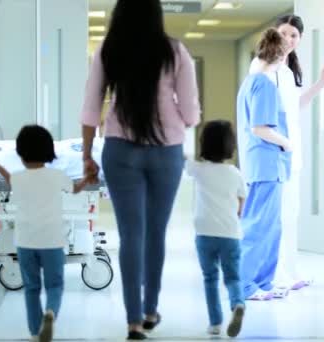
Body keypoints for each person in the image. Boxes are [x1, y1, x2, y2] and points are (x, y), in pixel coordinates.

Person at [79, 0, 200, 339]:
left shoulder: (108, 50)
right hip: (166, 152)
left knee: (130, 234)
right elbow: (191, 115)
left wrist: (87, 155)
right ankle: (150, 310)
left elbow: (90, 109)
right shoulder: (176, 52)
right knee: (156, 232)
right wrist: (171, 108)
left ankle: (132, 321)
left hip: (119, 150)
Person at [0, 125, 92, 342]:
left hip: (25, 243)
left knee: (31, 288)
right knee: (55, 285)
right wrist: (87, 177)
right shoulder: (57, 176)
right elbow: (77, 189)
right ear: (50, 152)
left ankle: (34, 332)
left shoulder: (19, 178)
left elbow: (7, 178)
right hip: (52, 242)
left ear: (20, 154)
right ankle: (50, 313)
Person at [249, 15, 324, 291]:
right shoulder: (262, 68)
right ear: (274, 35)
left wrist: (321, 83)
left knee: (291, 212)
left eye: (294, 36)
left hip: (289, 149)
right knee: (275, 215)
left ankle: (290, 271)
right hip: (273, 149)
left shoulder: (288, 70)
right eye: (284, 34)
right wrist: (282, 142)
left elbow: (296, 104)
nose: (288, 40)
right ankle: (273, 274)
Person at [236, 28, 291, 301]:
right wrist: (287, 143)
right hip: (266, 164)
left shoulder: (250, 82)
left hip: (265, 165)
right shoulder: (263, 84)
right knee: (258, 226)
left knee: (271, 226)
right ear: (280, 56)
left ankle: (263, 282)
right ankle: (245, 285)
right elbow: (260, 128)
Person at [185, 120, 246, 337]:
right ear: (231, 146)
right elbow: (241, 204)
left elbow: (181, 160)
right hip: (230, 234)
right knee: (233, 278)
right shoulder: (235, 173)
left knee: (210, 278)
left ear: (204, 145)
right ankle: (238, 303)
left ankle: (215, 323)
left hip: (204, 234)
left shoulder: (199, 170)